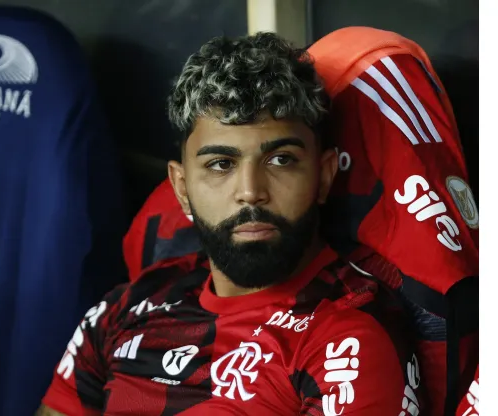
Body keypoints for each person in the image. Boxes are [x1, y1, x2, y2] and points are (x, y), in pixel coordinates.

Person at [37, 32, 420, 415]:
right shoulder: (127, 305)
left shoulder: (348, 337)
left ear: (323, 176)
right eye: (221, 164)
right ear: (182, 187)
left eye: (281, 160)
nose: (251, 192)